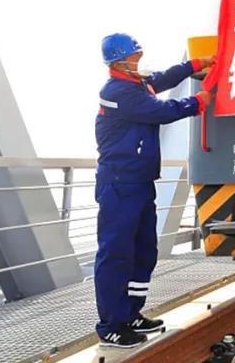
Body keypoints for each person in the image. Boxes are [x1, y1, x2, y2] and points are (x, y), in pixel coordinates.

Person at [94, 33, 213, 348]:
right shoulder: (119, 92)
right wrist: (197, 102)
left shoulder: (135, 84)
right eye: (133, 58)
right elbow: (163, 111)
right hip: (119, 185)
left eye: (138, 56)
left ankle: (131, 313)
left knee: (143, 251)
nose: (138, 62)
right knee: (116, 254)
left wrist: (194, 64)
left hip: (140, 183)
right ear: (119, 62)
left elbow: (162, 79)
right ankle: (111, 325)